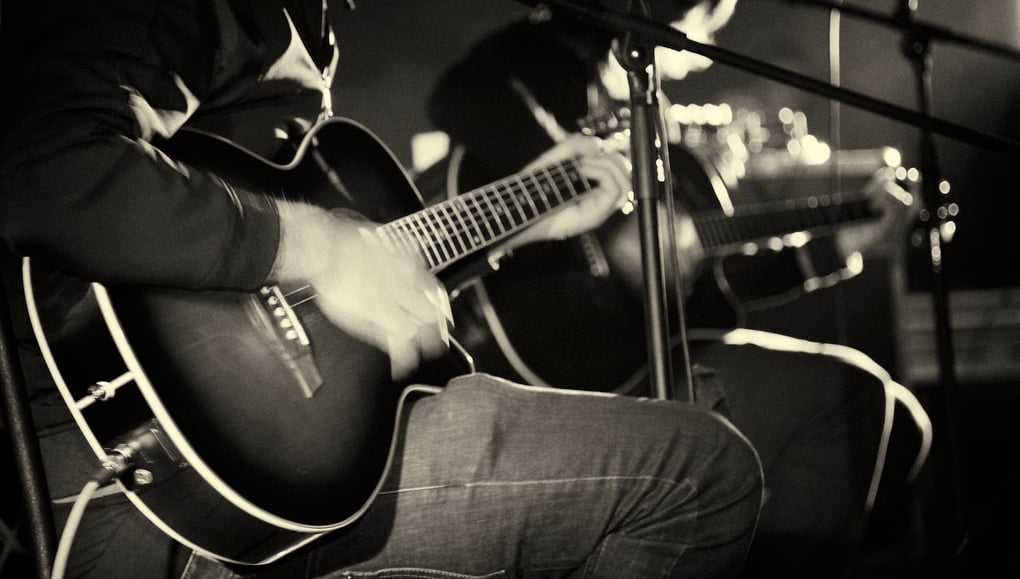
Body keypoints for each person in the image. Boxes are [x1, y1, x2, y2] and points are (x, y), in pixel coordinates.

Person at [0, 1, 765, 578]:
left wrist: (523, 216)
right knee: (699, 473)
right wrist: (321, 245)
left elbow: (355, 274)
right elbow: (41, 168)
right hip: (124, 481)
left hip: (253, 476)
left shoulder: (306, 27)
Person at [420, 0, 924, 576]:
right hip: (567, 354)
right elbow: (462, 94)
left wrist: (842, 246)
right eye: (710, 10)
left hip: (647, 352)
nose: (714, 26)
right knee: (849, 396)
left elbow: (713, 287)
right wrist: (578, 191)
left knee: (904, 423)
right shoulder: (554, 58)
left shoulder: (646, 103)